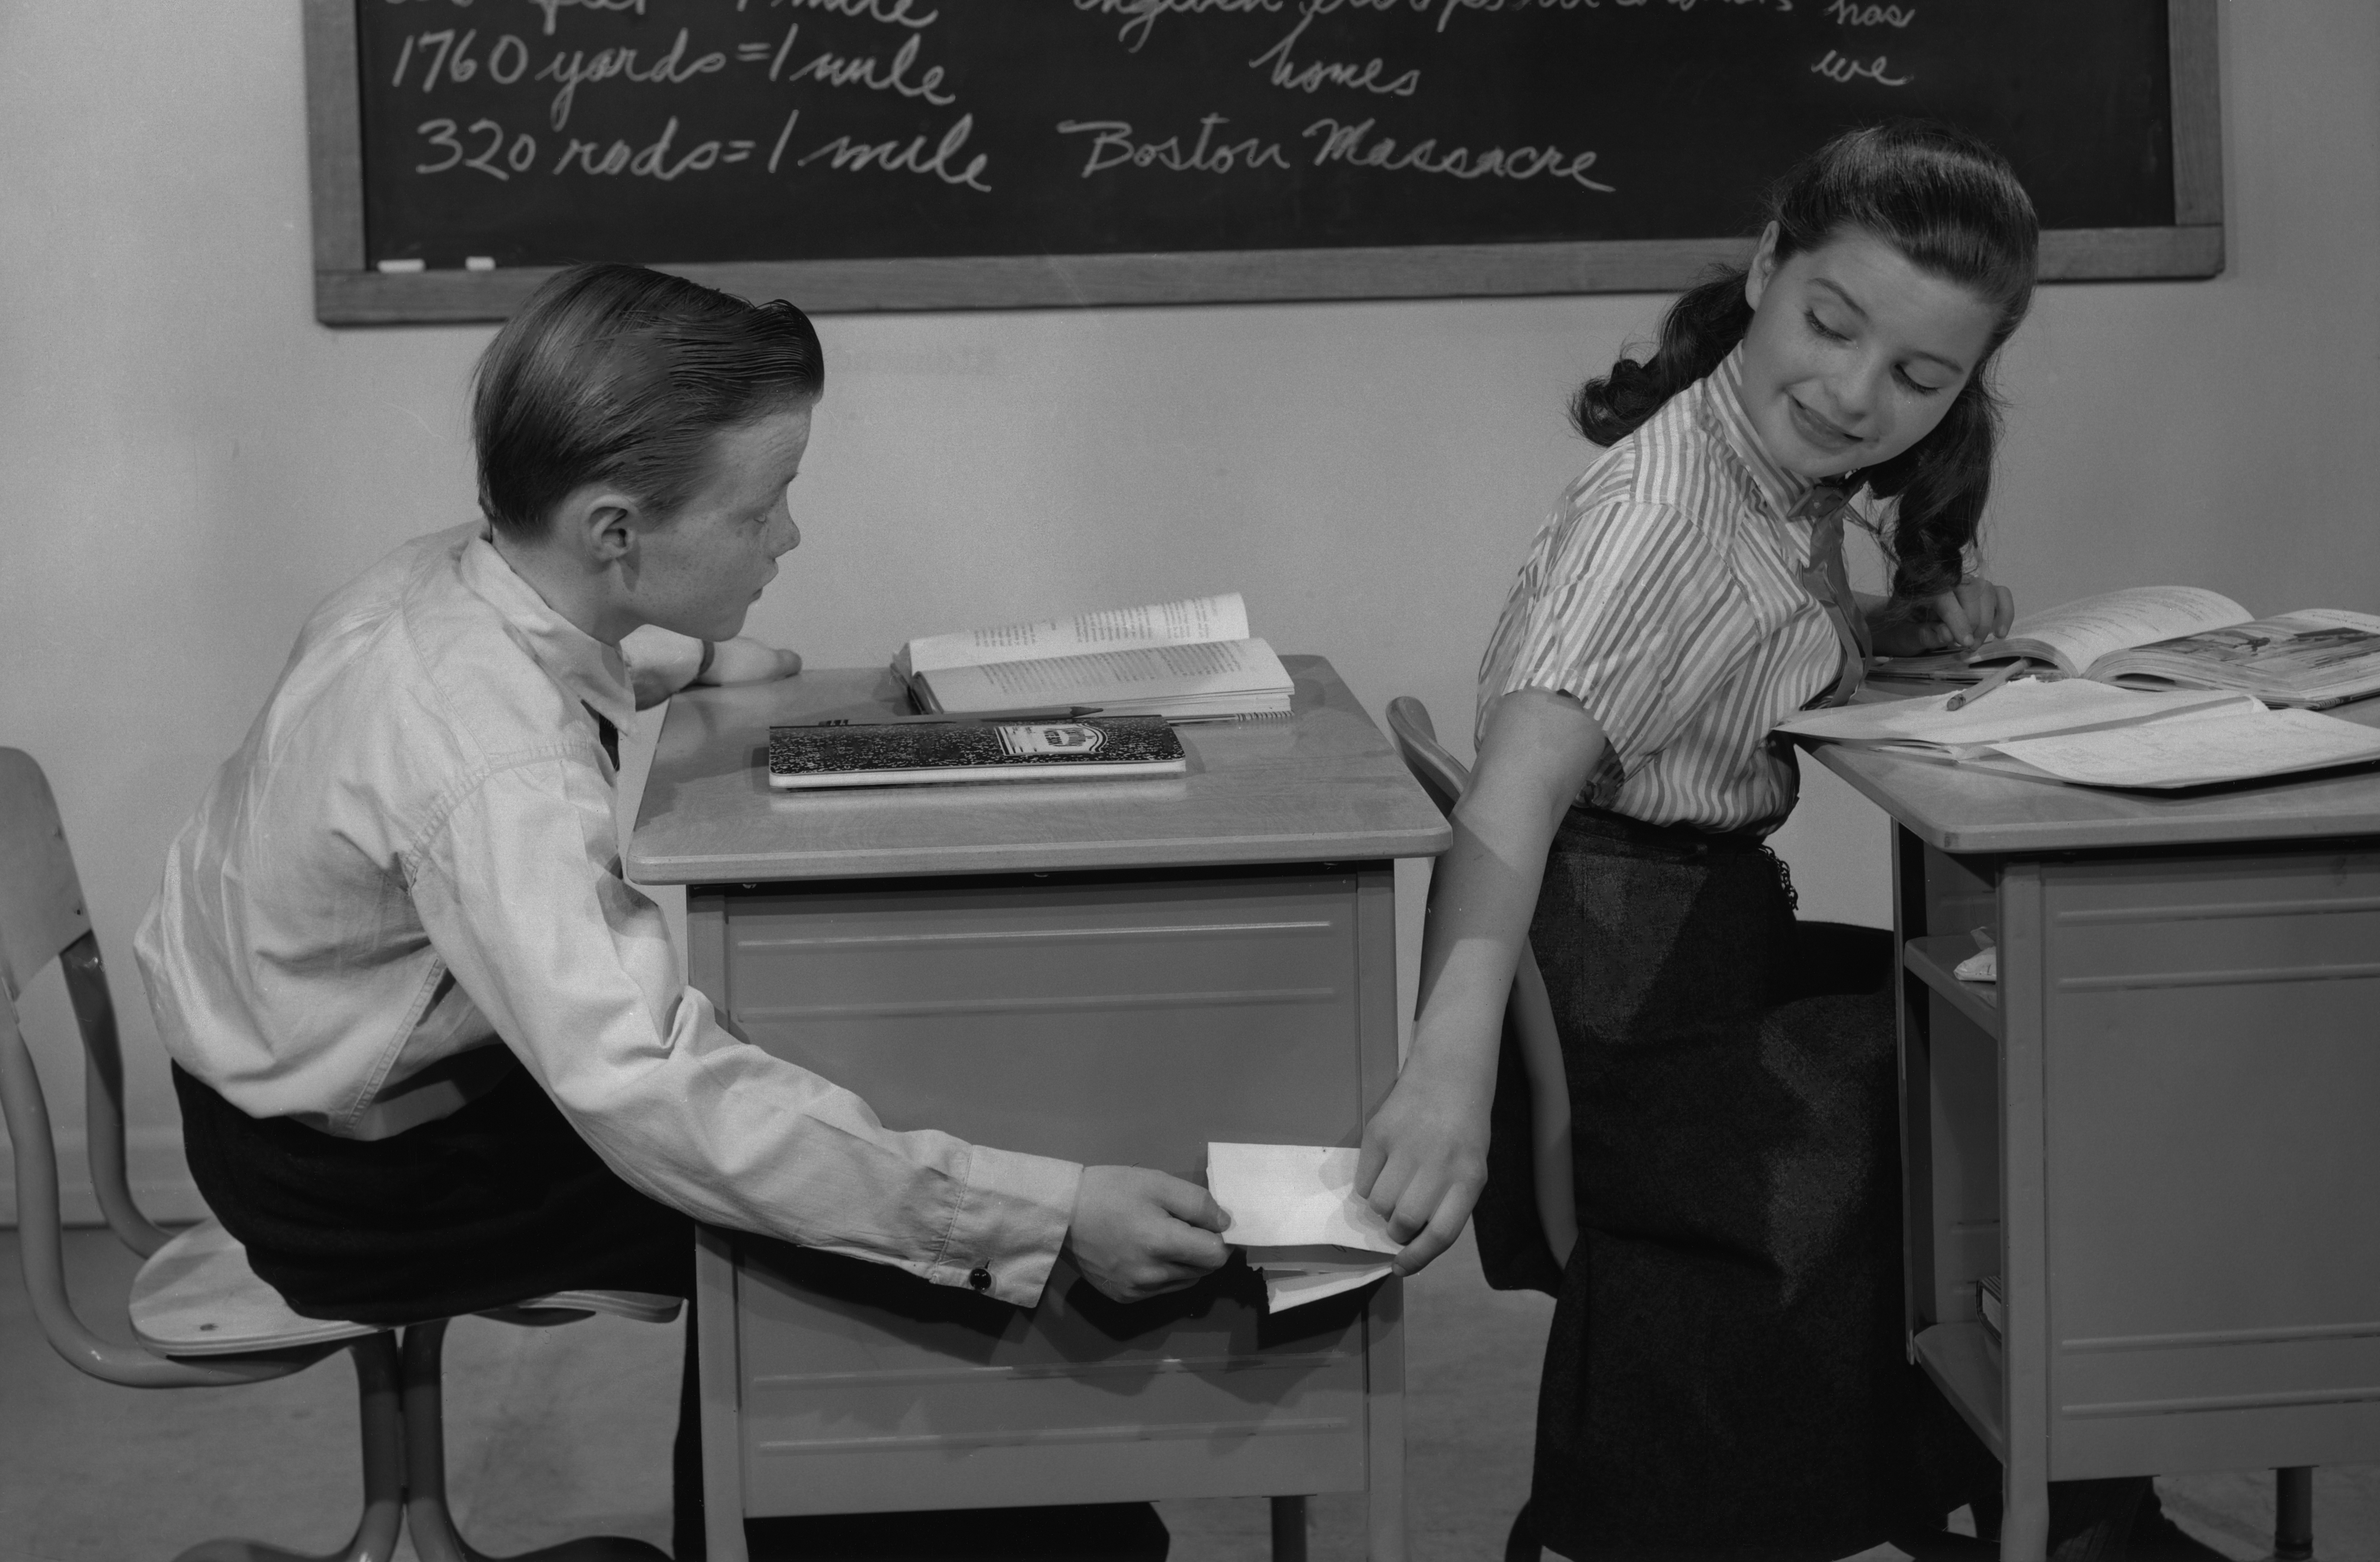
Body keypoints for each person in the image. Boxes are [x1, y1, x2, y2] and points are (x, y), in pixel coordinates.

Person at [134, 263, 1228, 1556]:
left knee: (828, 1134)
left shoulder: (443, 582)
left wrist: (699, 656)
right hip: (358, 1182)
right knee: (821, 1223)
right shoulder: (493, 766)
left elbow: (555, 654)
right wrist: (1044, 1212)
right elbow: (647, 1088)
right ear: (615, 532)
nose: (789, 540)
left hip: (279, 1097)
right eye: (763, 509)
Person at [1355, 123, 2215, 1561]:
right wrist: (1441, 1077)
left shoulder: (1755, 461)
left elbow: (1704, 667)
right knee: (1976, 1064)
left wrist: (1879, 634)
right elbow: (1513, 798)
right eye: (1830, 325)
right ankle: (2045, 1507)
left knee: (1991, 1025)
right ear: (1767, 264)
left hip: (1688, 944)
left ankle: (2057, 1495)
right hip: (1626, 1005)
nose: (1856, 394)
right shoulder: (1664, 516)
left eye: (1920, 378)